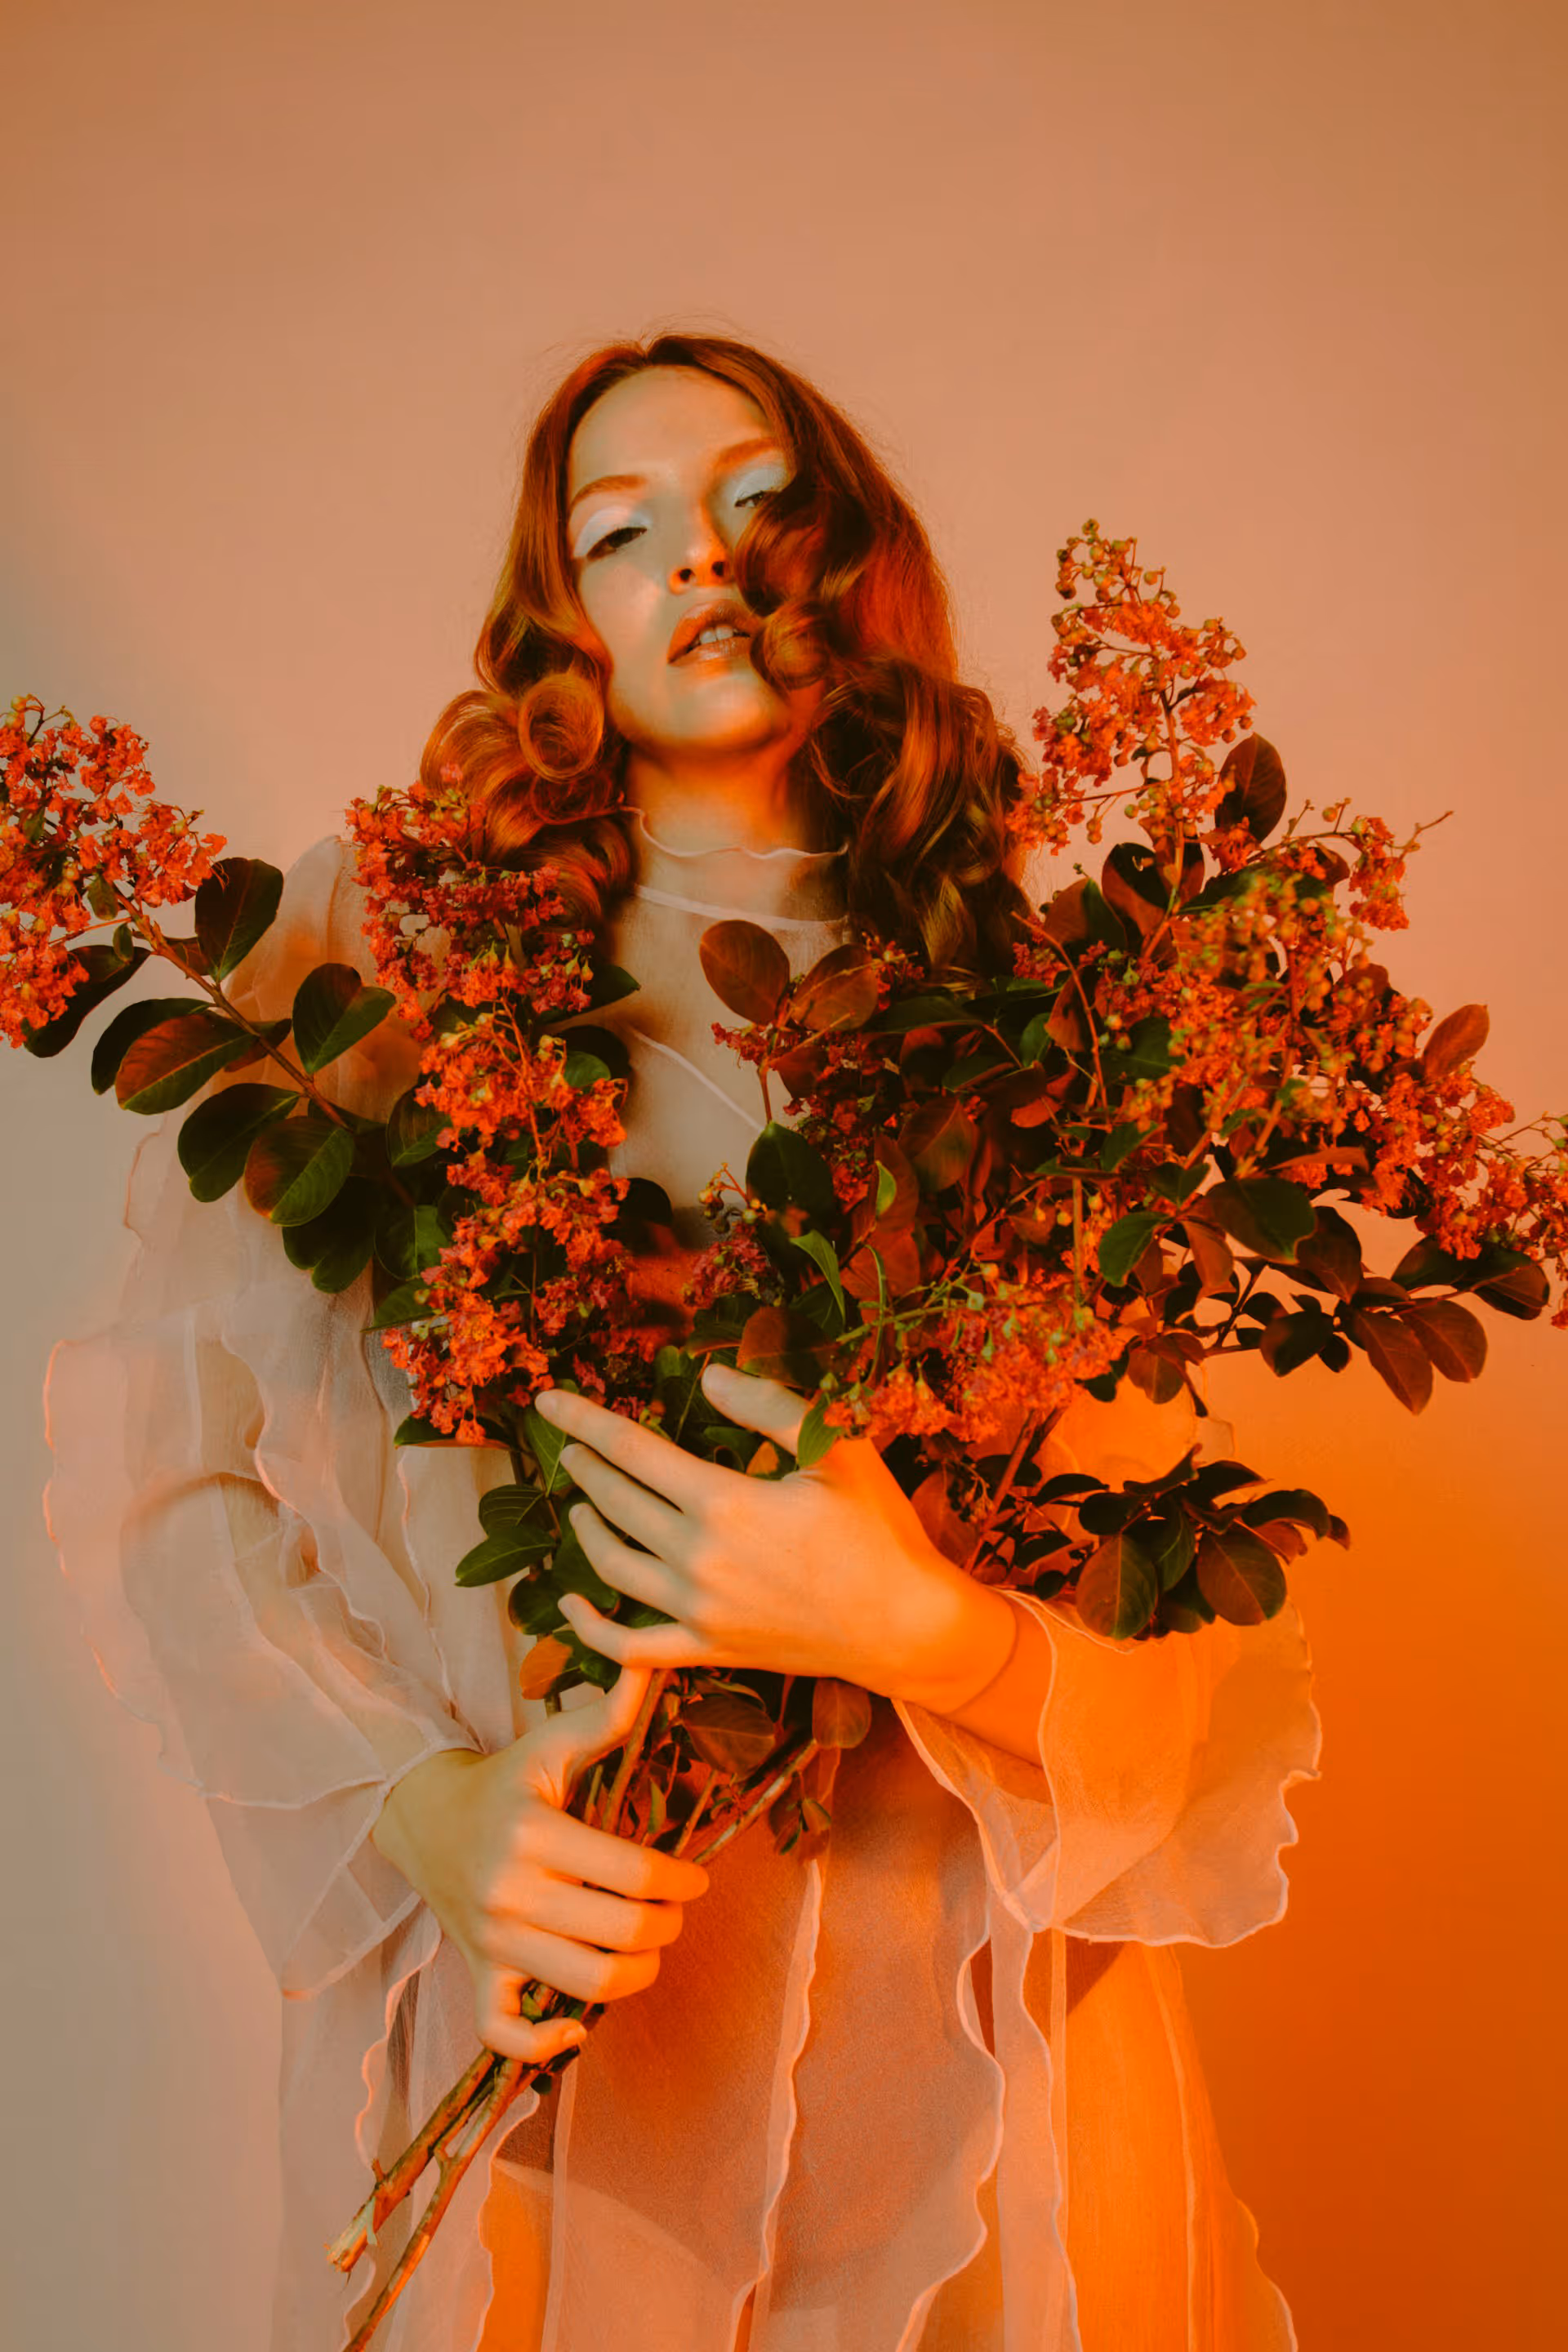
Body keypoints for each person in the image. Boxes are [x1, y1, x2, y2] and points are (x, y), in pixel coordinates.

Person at [44, 332, 1322, 2351]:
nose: (704, 562)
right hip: (572, 2027)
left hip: (975, 2044)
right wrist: (425, 1808)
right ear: (562, 620)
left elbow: (1195, 1658)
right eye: (622, 531)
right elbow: (177, 1480)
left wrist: (921, 1631)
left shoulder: (1056, 1010)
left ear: (854, 554)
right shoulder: (385, 951)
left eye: (759, 500)